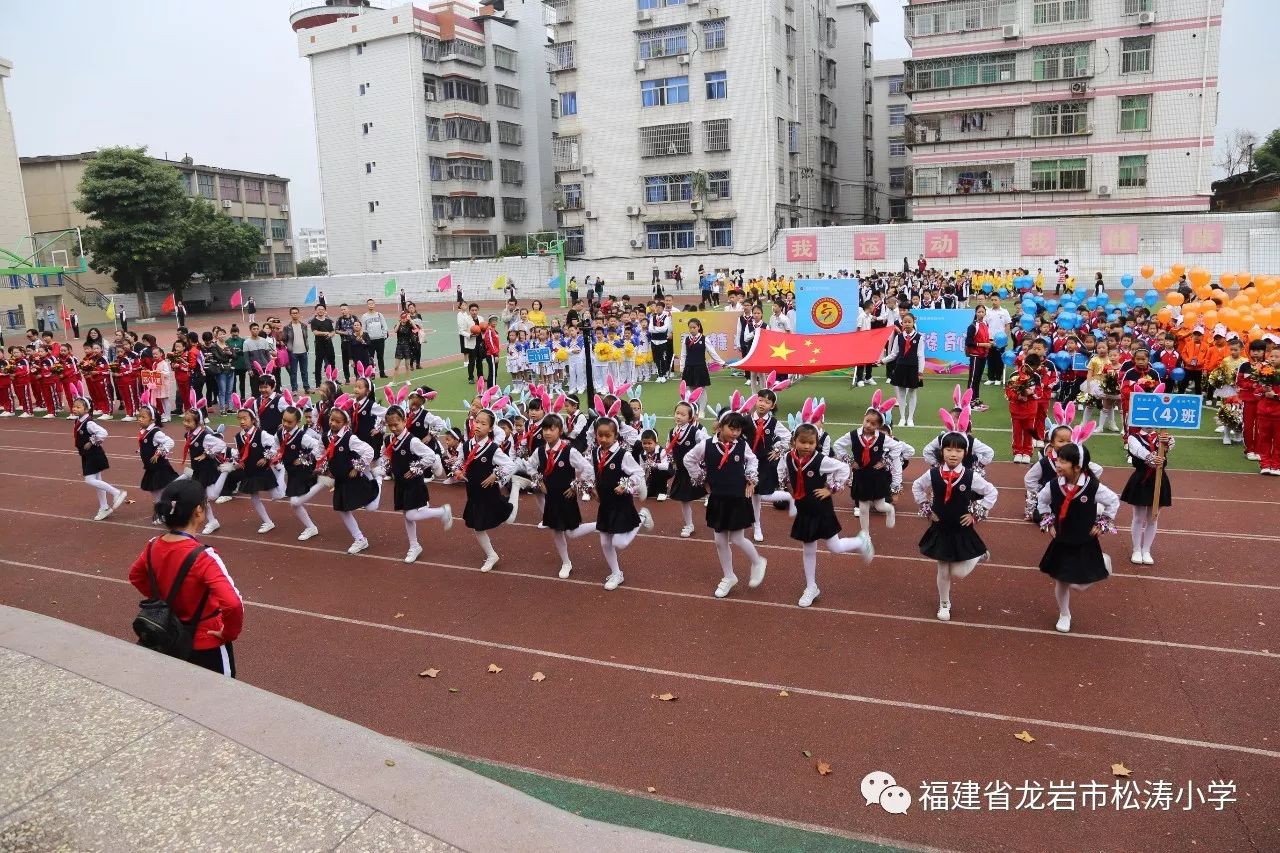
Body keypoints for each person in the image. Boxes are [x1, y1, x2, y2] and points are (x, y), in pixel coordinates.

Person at [128, 479, 243, 676]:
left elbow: (136, 576)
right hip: (207, 642)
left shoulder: (153, 545)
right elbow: (232, 603)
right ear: (198, 511)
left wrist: (164, 601)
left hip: (169, 636)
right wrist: (229, 632)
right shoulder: (204, 556)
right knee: (222, 697)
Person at [779, 423, 874, 607]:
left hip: (821, 509)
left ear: (817, 443)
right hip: (804, 509)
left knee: (835, 547)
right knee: (808, 548)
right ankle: (811, 586)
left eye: (811, 443)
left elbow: (844, 469)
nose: (807, 446)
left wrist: (831, 488)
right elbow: (782, 472)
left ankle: (861, 541)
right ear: (794, 442)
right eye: (803, 442)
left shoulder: (821, 460)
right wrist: (787, 486)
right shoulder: (787, 457)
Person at [912, 430, 997, 622]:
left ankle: (978, 555)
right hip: (940, 527)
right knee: (942, 568)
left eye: (958, 450)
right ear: (941, 451)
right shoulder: (933, 473)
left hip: (961, 528)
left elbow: (991, 492)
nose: (953, 454)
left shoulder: (969, 476)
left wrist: (976, 512)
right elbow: (917, 486)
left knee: (957, 572)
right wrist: (925, 507)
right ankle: (944, 603)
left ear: (965, 454)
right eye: (949, 449)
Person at [1035, 439, 1118, 633]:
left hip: (1084, 541)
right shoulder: (1054, 485)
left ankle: (1103, 563)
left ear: (1077, 467)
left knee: (1079, 585)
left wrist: (1103, 522)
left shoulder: (1092, 487)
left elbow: (1113, 501)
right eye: (1058, 460)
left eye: (1063, 462)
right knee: (1060, 579)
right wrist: (1047, 520)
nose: (1057, 464)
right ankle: (1064, 614)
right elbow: (1042, 501)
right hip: (1062, 540)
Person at [684, 410, 767, 598]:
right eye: (732, 428)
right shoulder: (706, 445)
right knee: (719, 540)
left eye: (738, 430)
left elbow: (753, 460)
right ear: (720, 426)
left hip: (737, 498)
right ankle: (729, 576)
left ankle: (757, 561)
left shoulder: (742, 445)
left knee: (737, 538)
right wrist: (701, 478)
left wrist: (751, 479)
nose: (736, 433)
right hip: (718, 498)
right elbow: (688, 459)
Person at [566, 415, 653, 590]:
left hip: (621, 505)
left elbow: (638, 473)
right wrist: (592, 488)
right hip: (605, 504)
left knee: (619, 543)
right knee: (605, 542)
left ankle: (642, 517)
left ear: (616, 436)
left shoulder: (623, 455)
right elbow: (590, 472)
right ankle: (616, 573)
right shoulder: (594, 452)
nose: (604, 439)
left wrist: (625, 485)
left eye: (608, 435)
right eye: (600, 435)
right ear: (596, 435)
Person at [380, 405, 452, 563]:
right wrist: (382, 468)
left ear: (404, 421)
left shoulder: (412, 441)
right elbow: (385, 456)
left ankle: (442, 512)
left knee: (412, 514)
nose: (393, 428)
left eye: (396, 424)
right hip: (400, 483)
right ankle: (414, 545)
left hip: (413, 483)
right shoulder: (388, 440)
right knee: (407, 516)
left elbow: (430, 455)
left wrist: (415, 468)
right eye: (390, 425)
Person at [453, 408, 516, 572]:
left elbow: (510, 464)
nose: (478, 425)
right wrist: (458, 471)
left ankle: (516, 487)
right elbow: (459, 463)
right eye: (476, 421)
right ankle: (492, 555)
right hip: (473, 493)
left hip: (489, 494)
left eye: (483, 423)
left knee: (507, 517)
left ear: (490, 429)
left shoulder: (492, 448)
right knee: (477, 525)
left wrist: (495, 475)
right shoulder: (465, 446)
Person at [1120, 427, 1172, 565]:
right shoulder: (1133, 438)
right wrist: (1154, 459)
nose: (1149, 424)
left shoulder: (1163, 437)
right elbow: (1139, 452)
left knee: (1153, 517)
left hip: (1159, 479)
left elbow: (1171, 445)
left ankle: (1146, 550)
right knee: (1138, 517)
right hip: (1141, 480)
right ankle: (1136, 549)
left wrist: (1166, 443)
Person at [71, 395, 128, 520]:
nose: (75, 409)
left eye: (78, 407)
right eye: (74, 406)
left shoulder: (89, 422)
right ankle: (104, 507)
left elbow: (103, 433)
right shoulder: (78, 421)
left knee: (90, 480)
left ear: (86, 409)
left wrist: (91, 441)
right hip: (87, 455)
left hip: (93, 455)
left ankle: (116, 492)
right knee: (98, 482)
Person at [883, 312, 924, 426]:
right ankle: (902, 417)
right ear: (902, 323)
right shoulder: (899, 337)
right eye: (905, 322)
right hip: (900, 367)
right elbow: (893, 354)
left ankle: (910, 418)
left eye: (909, 322)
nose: (907, 324)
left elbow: (921, 355)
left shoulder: (919, 337)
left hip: (913, 368)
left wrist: (920, 371)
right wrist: (882, 361)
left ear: (913, 322)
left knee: (912, 392)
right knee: (901, 393)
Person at [678, 319, 725, 401]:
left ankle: (701, 411)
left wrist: (722, 362)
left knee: (701, 390)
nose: (692, 329)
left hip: (700, 367)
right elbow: (683, 354)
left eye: (694, 327)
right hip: (689, 367)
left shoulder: (704, 339)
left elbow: (712, 352)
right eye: (690, 328)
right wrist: (682, 368)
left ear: (698, 327)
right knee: (691, 389)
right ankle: (694, 408)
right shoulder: (686, 339)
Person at [963, 305, 992, 412]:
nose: (980, 314)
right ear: (976, 313)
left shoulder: (985, 324)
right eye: (979, 312)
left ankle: (976, 400)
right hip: (975, 356)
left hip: (983, 355)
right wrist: (983, 345)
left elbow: (984, 338)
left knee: (978, 379)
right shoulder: (972, 326)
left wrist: (989, 343)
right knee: (972, 379)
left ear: (985, 313)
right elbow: (969, 342)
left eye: (982, 312)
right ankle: (968, 402)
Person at [360, 298, 389, 378]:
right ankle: (372, 374)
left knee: (380, 357)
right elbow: (363, 329)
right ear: (367, 305)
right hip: (370, 341)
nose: (371, 305)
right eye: (369, 304)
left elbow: (384, 326)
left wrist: (383, 335)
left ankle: (382, 373)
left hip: (380, 339)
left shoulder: (379, 315)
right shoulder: (364, 316)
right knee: (370, 358)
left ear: (374, 304)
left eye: (372, 304)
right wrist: (366, 338)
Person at [309, 305, 336, 388]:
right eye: (319, 309)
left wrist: (330, 335)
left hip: (329, 344)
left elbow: (333, 331)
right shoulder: (314, 321)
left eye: (322, 309)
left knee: (332, 362)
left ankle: (333, 380)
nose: (321, 311)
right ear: (316, 311)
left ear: (325, 311)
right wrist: (325, 333)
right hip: (319, 345)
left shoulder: (328, 321)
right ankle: (318, 383)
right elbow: (315, 332)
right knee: (318, 364)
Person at [457, 303, 483, 384]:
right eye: (472, 310)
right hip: (471, 343)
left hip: (480, 342)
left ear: (478, 310)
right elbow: (461, 331)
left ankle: (480, 377)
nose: (474, 312)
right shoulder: (466, 319)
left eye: (476, 310)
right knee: (472, 361)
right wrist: (469, 335)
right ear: (469, 311)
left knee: (479, 361)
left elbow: (483, 329)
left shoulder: (481, 318)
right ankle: (471, 378)